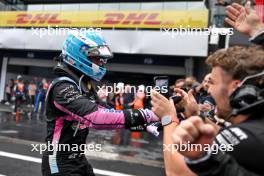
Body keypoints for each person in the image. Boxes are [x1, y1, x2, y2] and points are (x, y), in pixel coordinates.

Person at [42, 31, 159, 176]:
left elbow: (109, 112)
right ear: (79, 54)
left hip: (78, 159)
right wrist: (148, 114)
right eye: (97, 58)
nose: (101, 62)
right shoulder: (62, 87)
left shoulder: (83, 84)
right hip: (59, 163)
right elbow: (97, 117)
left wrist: (144, 124)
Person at [152, 45, 264, 175]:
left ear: (235, 87)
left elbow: (177, 172)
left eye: (212, 82)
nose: (208, 90)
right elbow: (225, 134)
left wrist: (168, 118)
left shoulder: (248, 137)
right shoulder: (255, 129)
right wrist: (195, 114)